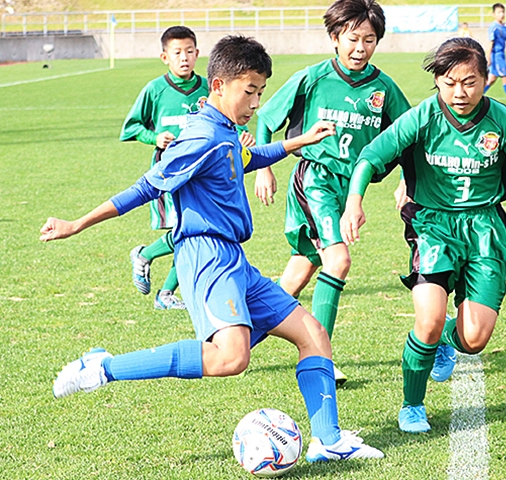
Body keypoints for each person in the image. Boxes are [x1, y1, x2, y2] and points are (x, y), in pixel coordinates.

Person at [40, 35, 384, 463]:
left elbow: (243, 158)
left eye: (260, 91)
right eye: (249, 90)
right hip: (206, 255)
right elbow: (146, 187)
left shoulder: (225, 130)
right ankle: (100, 368)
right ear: (218, 85)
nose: (256, 102)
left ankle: (328, 441)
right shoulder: (200, 136)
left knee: (312, 334)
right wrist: (77, 224)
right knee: (230, 358)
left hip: (234, 259)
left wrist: (297, 142)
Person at [340, 37, 506, 433]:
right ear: (437, 80)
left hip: (485, 229)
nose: (460, 92)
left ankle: (446, 338)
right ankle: (412, 405)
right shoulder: (423, 116)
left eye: (470, 81)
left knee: (473, 339)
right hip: (432, 226)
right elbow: (371, 155)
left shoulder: (504, 122)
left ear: (485, 79)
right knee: (427, 320)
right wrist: (355, 200)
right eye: (450, 82)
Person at [253, 0, 411, 385]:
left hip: (348, 189)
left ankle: (230, 338)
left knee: (295, 277)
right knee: (337, 262)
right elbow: (267, 119)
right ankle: (320, 358)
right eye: (353, 39)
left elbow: (410, 135)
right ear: (335, 37)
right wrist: (264, 168)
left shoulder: (383, 87)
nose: (360, 48)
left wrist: (406, 180)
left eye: (369, 40)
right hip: (315, 179)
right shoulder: (312, 78)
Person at [120, 26, 209, 310]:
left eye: (189, 51)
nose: (184, 58)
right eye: (177, 53)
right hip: (168, 170)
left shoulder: (209, 87)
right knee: (187, 229)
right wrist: (154, 137)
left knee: (195, 229)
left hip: (203, 170)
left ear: (197, 53)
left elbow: (229, 117)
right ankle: (149, 261)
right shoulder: (155, 90)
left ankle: (163, 289)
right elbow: (131, 127)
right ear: (164, 57)